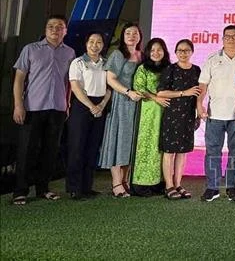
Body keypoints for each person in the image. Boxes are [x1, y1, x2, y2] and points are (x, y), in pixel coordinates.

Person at [12, 15, 76, 205]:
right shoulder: (30, 49)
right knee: (26, 150)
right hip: (32, 107)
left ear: (65, 31)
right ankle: (20, 191)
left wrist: (68, 103)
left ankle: (43, 188)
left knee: (50, 150)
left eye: (60, 27)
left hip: (57, 108)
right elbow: (19, 79)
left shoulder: (70, 53)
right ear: (45, 29)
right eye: (51, 26)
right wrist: (18, 104)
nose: (55, 30)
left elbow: (70, 83)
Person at [198, 25, 235, 202]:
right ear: (222, 39)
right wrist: (199, 104)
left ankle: (231, 187)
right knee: (213, 151)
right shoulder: (213, 59)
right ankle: (212, 187)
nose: (231, 39)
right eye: (227, 36)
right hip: (215, 115)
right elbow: (203, 85)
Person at [99, 23, 143, 197]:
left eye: (135, 33)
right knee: (119, 141)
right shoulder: (118, 54)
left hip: (139, 105)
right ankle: (116, 183)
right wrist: (128, 92)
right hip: (122, 103)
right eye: (128, 33)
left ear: (140, 36)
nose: (131, 35)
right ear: (123, 36)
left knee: (132, 143)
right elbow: (110, 79)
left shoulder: (142, 55)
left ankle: (126, 181)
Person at [66, 32, 111, 200]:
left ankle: (87, 186)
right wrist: (91, 106)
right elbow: (76, 87)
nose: (95, 45)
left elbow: (109, 88)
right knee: (77, 147)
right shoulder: (77, 62)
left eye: (99, 42)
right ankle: (74, 187)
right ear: (86, 44)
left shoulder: (106, 63)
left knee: (92, 148)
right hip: (82, 105)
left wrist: (101, 105)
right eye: (91, 41)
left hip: (100, 106)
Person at [157, 39, 201, 200]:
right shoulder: (170, 69)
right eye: (180, 50)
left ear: (192, 52)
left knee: (183, 152)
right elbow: (161, 93)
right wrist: (183, 93)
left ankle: (178, 184)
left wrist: (199, 112)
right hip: (172, 115)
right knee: (169, 152)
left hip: (189, 115)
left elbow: (199, 93)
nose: (183, 53)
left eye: (186, 50)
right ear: (175, 52)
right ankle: (168, 186)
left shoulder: (196, 70)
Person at [131, 38, 171, 197]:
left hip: (166, 113)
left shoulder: (169, 68)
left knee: (162, 148)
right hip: (148, 114)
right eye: (153, 50)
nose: (156, 53)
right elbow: (139, 88)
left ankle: (158, 182)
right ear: (148, 52)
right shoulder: (142, 68)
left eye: (159, 49)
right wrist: (156, 98)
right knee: (147, 146)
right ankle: (141, 184)